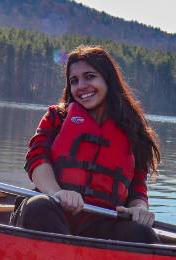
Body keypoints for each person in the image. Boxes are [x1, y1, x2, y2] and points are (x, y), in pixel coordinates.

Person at [16, 45, 161, 243]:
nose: (81, 85)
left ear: (107, 79)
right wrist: (57, 193)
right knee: (37, 206)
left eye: (90, 76)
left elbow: (137, 186)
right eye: (74, 81)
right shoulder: (56, 117)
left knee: (142, 234)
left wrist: (140, 208)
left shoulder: (133, 130)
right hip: (53, 212)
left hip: (102, 224)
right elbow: (36, 159)